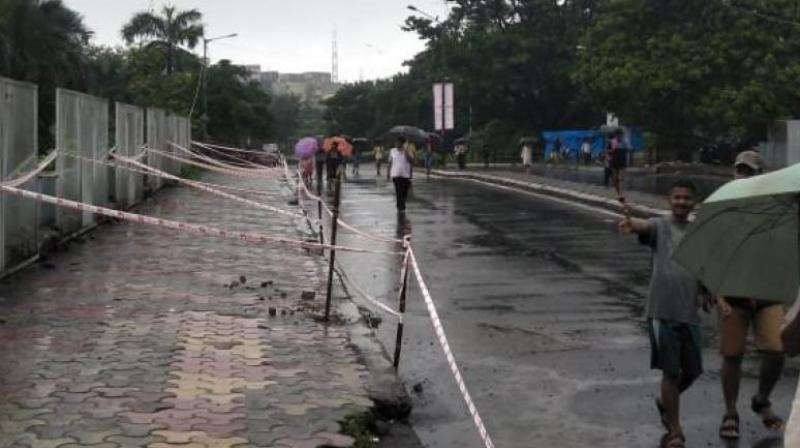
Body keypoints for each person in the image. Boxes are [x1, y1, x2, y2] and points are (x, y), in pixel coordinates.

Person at [619, 179, 703, 448]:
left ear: (694, 202)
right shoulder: (660, 226)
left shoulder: (698, 232)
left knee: (692, 371)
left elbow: (704, 266)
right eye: (676, 197)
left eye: (686, 198)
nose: (681, 202)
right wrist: (632, 224)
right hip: (662, 310)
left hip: (689, 311)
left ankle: (664, 401)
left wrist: (711, 293)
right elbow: (643, 226)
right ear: (669, 200)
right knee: (670, 371)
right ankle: (675, 429)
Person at [715, 150, 786, 440]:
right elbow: (711, 253)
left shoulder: (777, 209)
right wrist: (715, 293)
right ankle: (730, 412)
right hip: (732, 293)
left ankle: (761, 399)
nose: (743, 176)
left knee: (776, 351)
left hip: (767, 291)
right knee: (732, 355)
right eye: (739, 170)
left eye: (749, 171)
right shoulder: (723, 208)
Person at [388, 136, 413, 213]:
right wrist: (388, 172)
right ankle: (400, 206)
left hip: (405, 174)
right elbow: (390, 162)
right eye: (396, 142)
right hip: (395, 175)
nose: (397, 144)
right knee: (398, 190)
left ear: (403, 144)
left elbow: (411, 161)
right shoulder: (392, 151)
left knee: (404, 191)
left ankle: (402, 204)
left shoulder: (407, 151)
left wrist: (406, 152)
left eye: (399, 143)